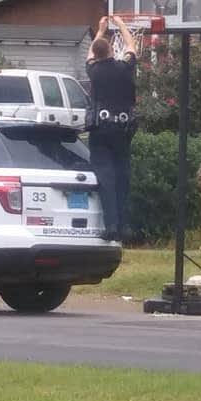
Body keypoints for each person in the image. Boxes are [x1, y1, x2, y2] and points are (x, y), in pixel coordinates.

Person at [86, 15, 137, 243]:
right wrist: (122, 25)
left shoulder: (93, 70)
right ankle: (126, 226)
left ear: (96, 55)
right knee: (122, 177)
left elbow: (90, 53)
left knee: (106, 179)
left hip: (100, 130)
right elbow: (131, 46)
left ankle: (112, 227)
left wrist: (101, 29)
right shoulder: (124, 68)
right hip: (123, 129)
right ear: (111, 51)